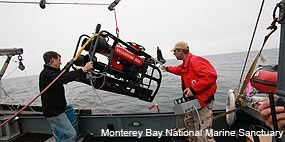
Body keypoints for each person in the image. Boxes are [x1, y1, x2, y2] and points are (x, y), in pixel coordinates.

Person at [162, 41, 217, 142]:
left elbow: (211, 76)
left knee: (203, 133)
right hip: (193, 102)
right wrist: (167, 68)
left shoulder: (195, 61)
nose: (173, 53)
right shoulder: (186, 63)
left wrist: (193, 89)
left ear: (180, 51)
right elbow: (179, 70)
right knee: (190, 124)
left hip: (203, 102)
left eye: (174, 51)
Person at [39, 51, 93, 142]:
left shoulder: (50, 72)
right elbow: (63, 78)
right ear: (52, 60)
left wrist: (68, 65)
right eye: (59, 60)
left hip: (55, 111)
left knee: (62, 136)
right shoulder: (47, 74)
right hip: (55, 113)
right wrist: (83, 70)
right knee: (71, 135)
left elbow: (61, 75)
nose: (60, 62)